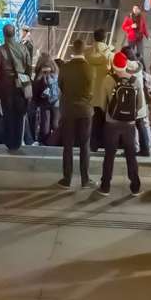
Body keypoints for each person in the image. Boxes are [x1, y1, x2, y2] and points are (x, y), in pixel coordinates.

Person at [97, 50, 144, 197]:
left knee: (109, 155)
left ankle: (105, 186)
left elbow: (102, 103)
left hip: (112, 124)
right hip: (129, 125)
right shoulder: (134, 80)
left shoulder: (108, 79)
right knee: (131, 156)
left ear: (113, 64)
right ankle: (135, 186)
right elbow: (140, 104)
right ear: (125, 64)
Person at [56, 38, 93, 188]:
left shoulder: (65, 67)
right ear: (84, 50)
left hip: (68, 110)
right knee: (85, 145)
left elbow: (61, 85)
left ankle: (67, 179)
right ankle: (85, 179)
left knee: (68, 145)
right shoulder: (89, 68)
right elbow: (91, 89)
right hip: (85, 111)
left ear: (73, 50)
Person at [0, 24, 34, 152]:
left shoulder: (0, 50)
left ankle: (10, 143)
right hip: (21, 84)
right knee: (20, 113)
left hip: (6, 86)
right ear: (14, 33)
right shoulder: (23, 48)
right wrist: (26, 79)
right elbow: (29, 66)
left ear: (4, 34)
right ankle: (18, 142)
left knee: (8, 114)